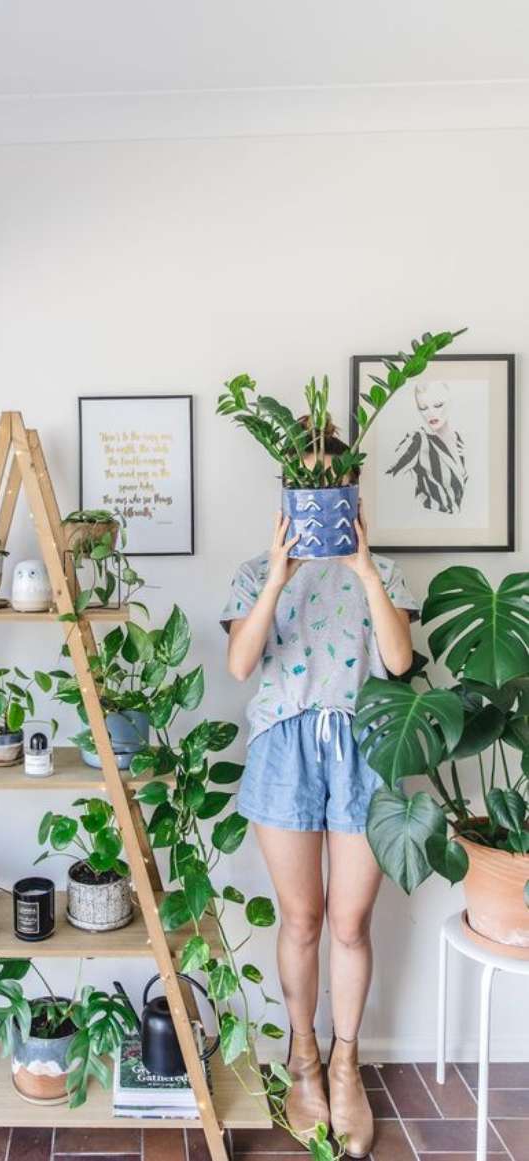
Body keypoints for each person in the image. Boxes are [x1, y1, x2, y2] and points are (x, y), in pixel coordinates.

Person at [221, 416, 418, 1158]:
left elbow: (398, 665)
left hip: (363, 745)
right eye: (306, 484)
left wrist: (365, 568)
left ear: (349, 490)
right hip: (283, 746)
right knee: (301, 919)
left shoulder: (385, 571)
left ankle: (345, 1062)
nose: (319, 496)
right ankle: (302, 1058)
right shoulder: (252, 571)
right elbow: (241, 665)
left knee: (350, 922)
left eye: (329, 483)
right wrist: (278, 573)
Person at [385, 380, 468, 515]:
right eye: (423, 408)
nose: (430, 413)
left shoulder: (460, 441)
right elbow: (386, 478)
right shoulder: (418, 440)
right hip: (428, 521)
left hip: (457, 528)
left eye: (438, 405)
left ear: (450, 403)